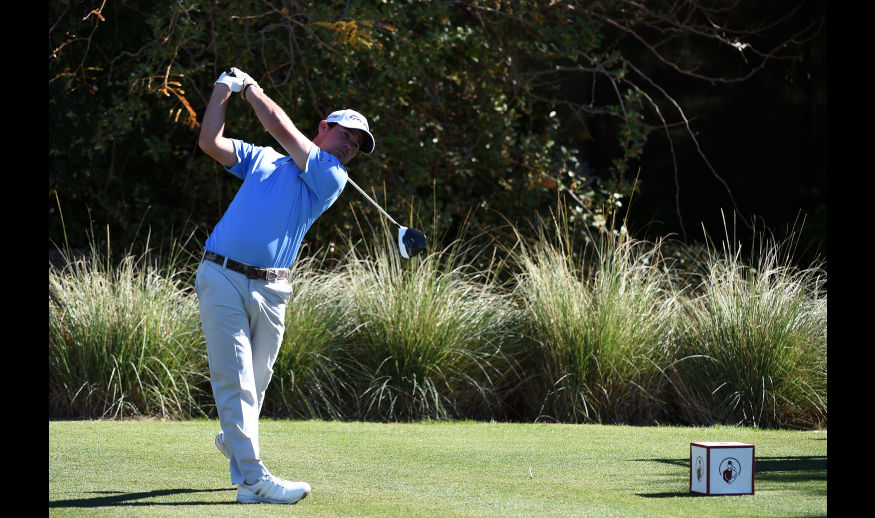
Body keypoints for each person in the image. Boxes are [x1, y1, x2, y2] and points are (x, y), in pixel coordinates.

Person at [195, 67, 375, 505]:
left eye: (357, 144)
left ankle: (236, 446)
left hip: (273, 289)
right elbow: (209, 144)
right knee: (236, 379)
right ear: (323, 128)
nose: (350, 146)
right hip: (221, 274)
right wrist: (224, 87)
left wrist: (249, 87)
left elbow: (277, 123)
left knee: (256, 383)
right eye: (345, 134)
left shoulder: (330, 175)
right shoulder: (263, 159)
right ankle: (255, 480)